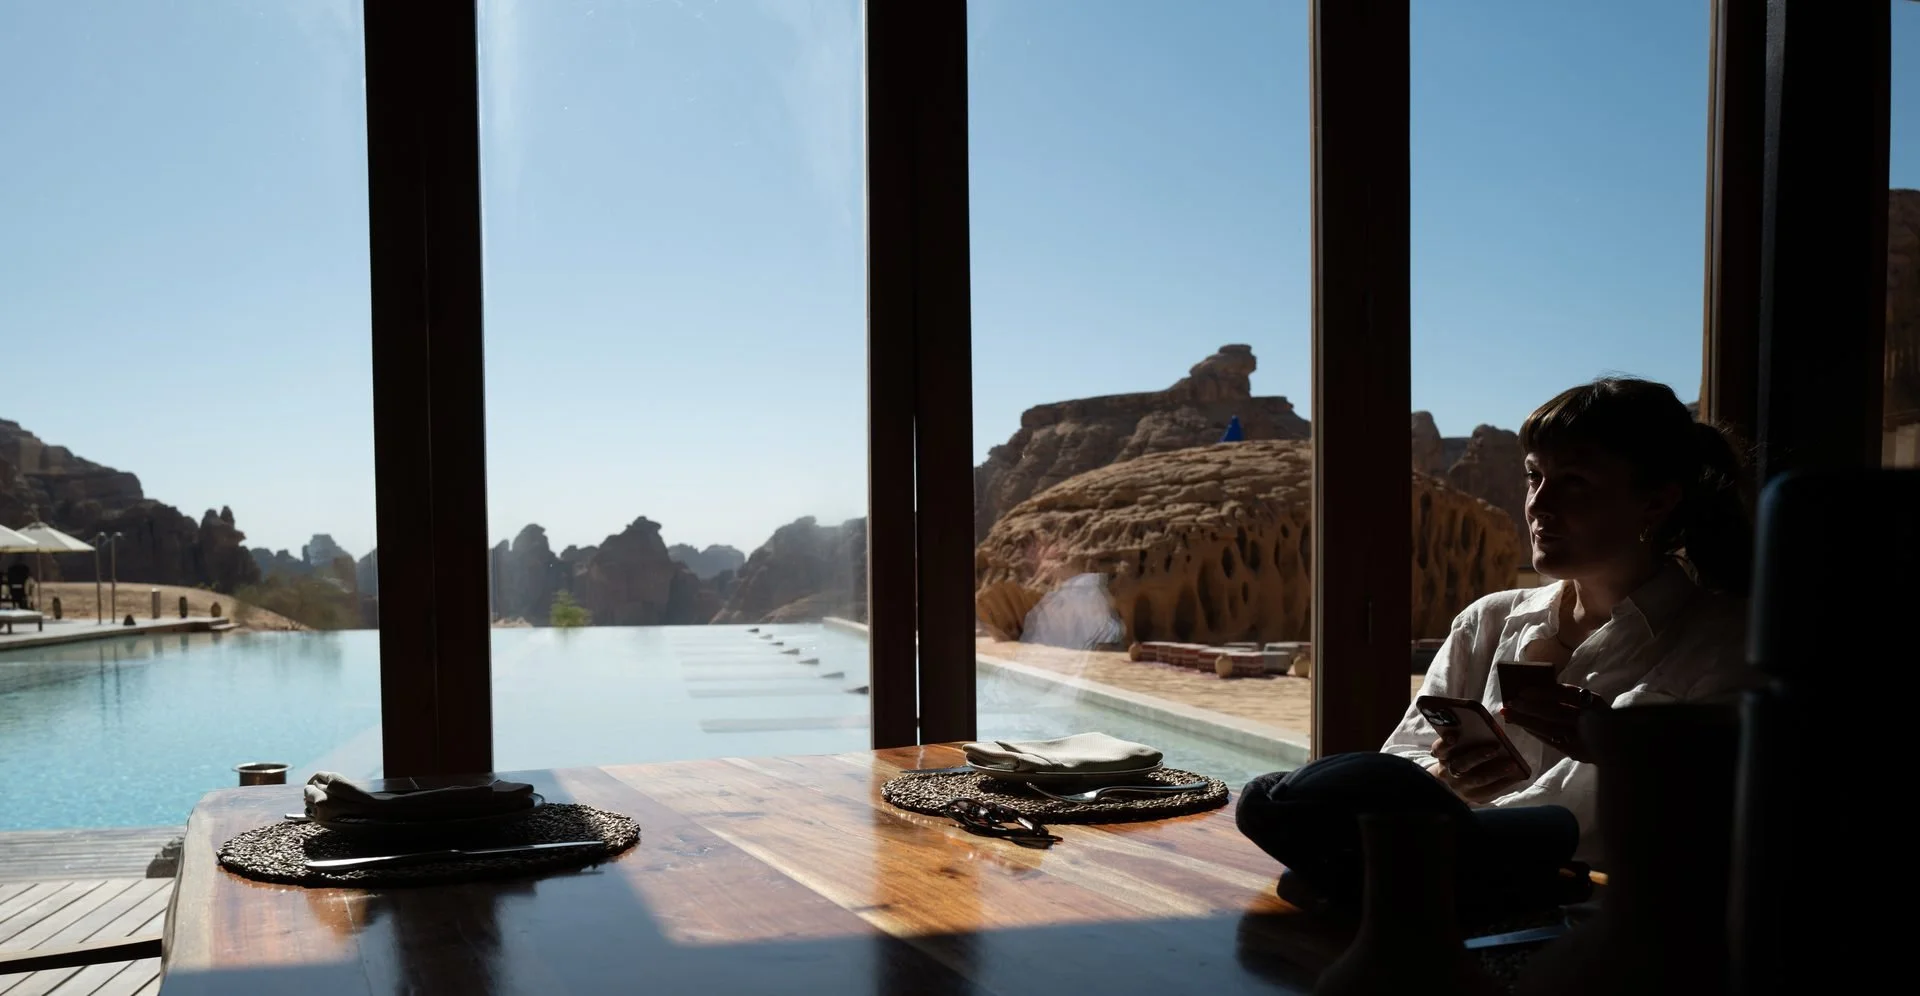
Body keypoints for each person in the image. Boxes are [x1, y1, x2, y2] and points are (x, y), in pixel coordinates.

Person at [1380, 377, 1756, 864]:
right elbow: (1397, 764)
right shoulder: (1486, 623)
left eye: (1574, 481)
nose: (1539, 505)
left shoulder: (1725, 644)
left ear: (1656, 501)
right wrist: (1444, 779)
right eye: (1533, 477)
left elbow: (1715, 822)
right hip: (1456, 887)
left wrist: (1618, 749)